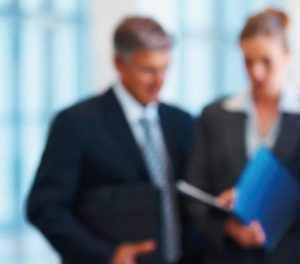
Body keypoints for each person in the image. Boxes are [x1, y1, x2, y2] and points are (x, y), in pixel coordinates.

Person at [26, 16, 198, 264]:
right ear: (119, 63)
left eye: (165, 67)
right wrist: (106, 255)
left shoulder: (181, 122)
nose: (159, 81)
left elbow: (190, 197)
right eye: (148, 70)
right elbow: (44, 208)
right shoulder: (77, 123)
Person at [184, 8, 300, 264]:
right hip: (227, 255)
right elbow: (195, 188)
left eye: (266, 61)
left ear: (288, 57)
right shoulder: (214, 114)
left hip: (290, 254)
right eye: (248, 61)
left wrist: (271, 213)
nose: (256, 72)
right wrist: (227, 227)